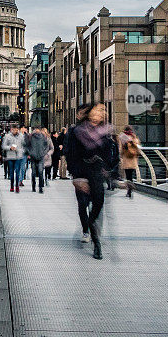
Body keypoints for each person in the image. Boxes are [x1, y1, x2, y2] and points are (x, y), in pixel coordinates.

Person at [64, 103, 117, 260]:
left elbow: (111, 155)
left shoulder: (106, 132)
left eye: (103, 110)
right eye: (99, 109)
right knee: (83, 205)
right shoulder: (76, 132)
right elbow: (71, 154)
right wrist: (76, 177)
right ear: (89, 113)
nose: (102, 113)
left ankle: (89, 228)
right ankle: (96, 242)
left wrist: (112, 174)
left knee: (98, 206)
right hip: (82, 172)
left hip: (96, 174)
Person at [1, 125, 25, 192]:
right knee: (11, 172)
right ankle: (12, 186)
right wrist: (10, 148)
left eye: (16, 129)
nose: (15, 131)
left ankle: (17, 186)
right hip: (10, 156)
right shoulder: (7, 136)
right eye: (14, 129)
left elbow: (24, 145)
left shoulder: (21, 136)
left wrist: (21, 150)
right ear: (11, 130)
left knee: (17, 172)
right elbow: (3, 146)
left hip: (18, 156)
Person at [26, 126, 50, 193]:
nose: (37, 131)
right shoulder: (31, 137)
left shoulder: (43, 137)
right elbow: (27, 146)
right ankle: (33, 186)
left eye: (38, 129)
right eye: (36, 129)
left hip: (40, 157)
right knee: (33, 173)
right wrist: (30, 153)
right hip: (33, 157)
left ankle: (40, 187)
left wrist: (43, 153)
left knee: (40, 172)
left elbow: (46, 146)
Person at [118, 126, 140, 198]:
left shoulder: (122, 137)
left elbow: (120, 150)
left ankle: (129, 190)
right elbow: (138, 147)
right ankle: (130, 189)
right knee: (131, 175)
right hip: (133, 159)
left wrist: (120, 156)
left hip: (126, 159)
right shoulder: (134, 137)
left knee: (128, 176)